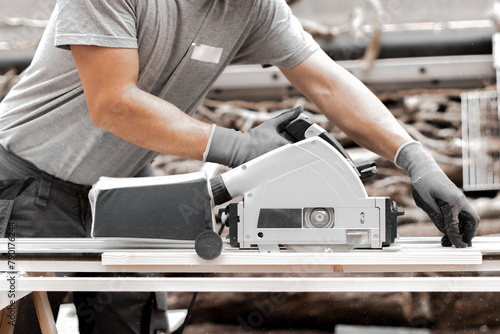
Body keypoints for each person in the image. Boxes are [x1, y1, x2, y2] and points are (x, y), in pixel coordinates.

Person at [0, 0, 479, 333]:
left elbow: (328, 82)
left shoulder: (250, 8)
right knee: (15, 324)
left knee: (128, 322)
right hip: (22, 186)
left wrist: (415, 159)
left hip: (121, 192)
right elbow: (114, 104)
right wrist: (241, 148)